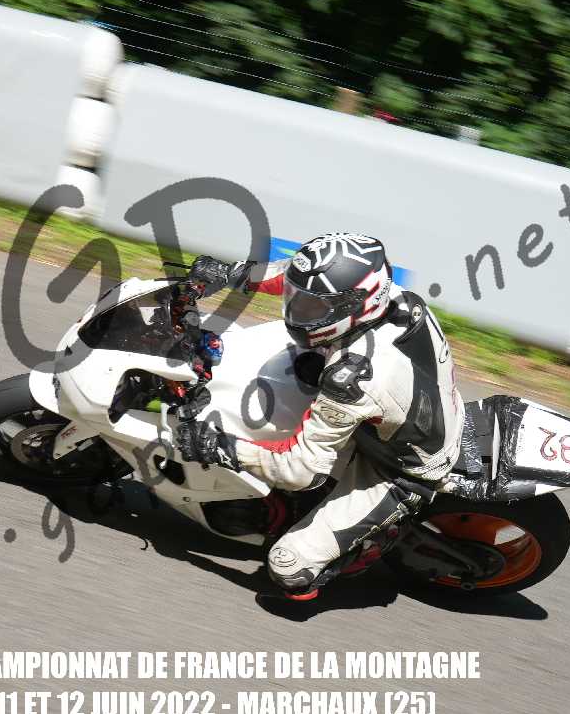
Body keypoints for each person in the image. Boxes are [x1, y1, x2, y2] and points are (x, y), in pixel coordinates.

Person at [174, 233, 465, 599]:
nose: (297, 311)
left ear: (354, 303)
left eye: (312, 308)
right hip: (405, 412)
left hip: (400, 467)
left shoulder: (354, 378)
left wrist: (220, 446)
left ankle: (372, 543)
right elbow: (291, 276)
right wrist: (230, 274)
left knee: (288, 567)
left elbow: (301, 471)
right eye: (298, 300)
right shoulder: (386, 294)